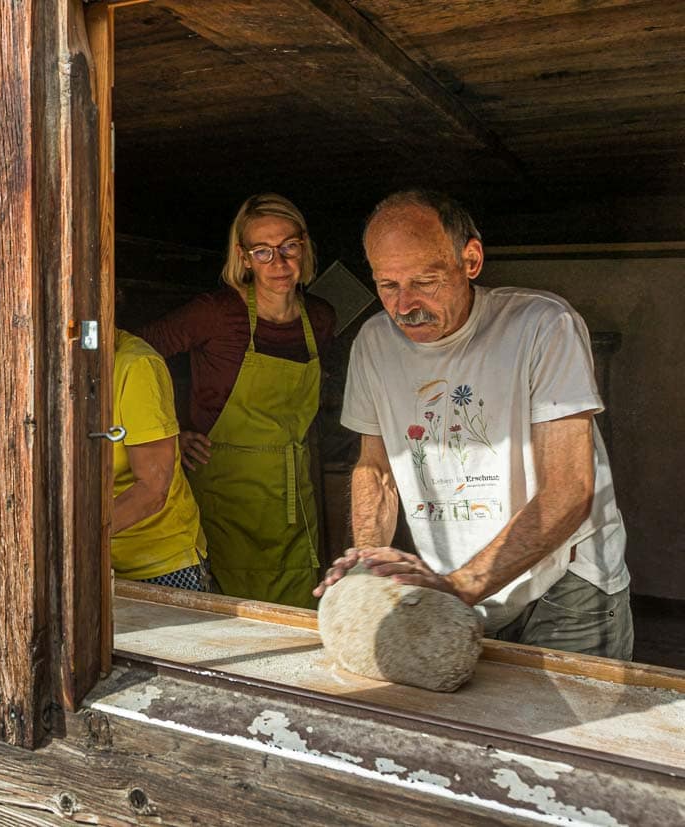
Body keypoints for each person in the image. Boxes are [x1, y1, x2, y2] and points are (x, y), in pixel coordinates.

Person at [315, 189, 632, 659]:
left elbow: (568, 490)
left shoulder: (542, 325)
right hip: (460, 580)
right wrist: (369, 560)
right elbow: (376, 469)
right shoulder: (373, 344)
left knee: (572, 730)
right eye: (388, 286)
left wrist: (459, 587)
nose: (406, 306)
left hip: (567, 585)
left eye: (425, 280)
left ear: (471, 259)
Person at [139, 194, 335, 606]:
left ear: (305, 247)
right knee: (232, 614)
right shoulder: (215, 313)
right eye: (262, 251)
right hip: (224, 494)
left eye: (289, 247)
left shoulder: (320, 318)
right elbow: (136, 356)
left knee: (297, 610)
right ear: (243, 257)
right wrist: (172, 431)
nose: (278, 263)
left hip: (293, 494)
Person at [111, 329, 208, 590]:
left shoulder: (137, 366)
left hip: (160, 565)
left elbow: (152, 490)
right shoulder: (47, 364)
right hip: (101, 559)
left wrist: (75, 540)